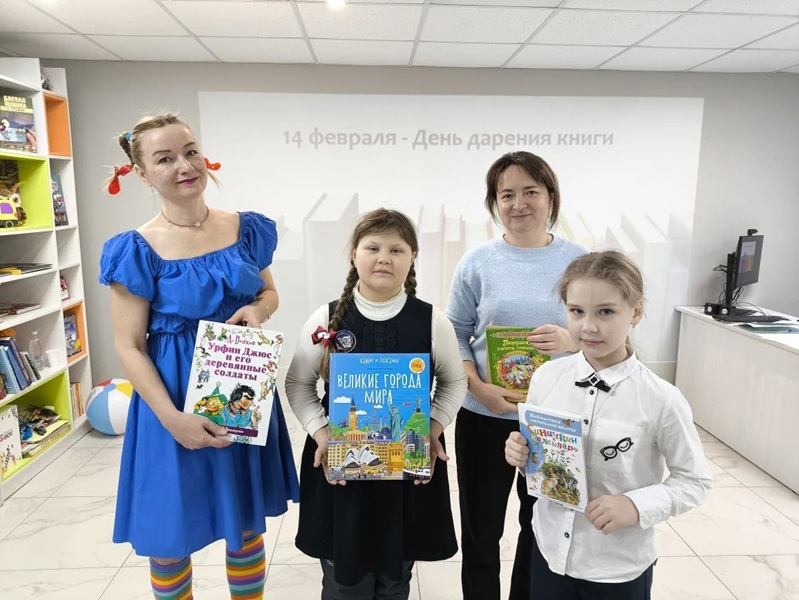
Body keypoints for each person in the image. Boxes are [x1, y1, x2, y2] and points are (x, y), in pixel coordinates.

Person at [98, 112, 299, 600]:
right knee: (169, 534)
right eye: (164, 159)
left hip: (239, 386)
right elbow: (129, 345)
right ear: (142, 173)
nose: (184, 166)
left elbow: (269, 294)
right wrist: (173, 420)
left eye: (190, 152)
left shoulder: (245, 229)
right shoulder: (136, 248)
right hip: (169, 401)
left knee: (245, 526)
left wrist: (257, 310)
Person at [504, 250, 711, 599]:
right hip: (549, 551)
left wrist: (636, 505)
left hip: (617, 567)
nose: (588, 326)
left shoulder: (661, 399)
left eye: (605, 312)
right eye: (576, 311)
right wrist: (522, 456)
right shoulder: (546, 377)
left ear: (636, 312)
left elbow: (695, 481)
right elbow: (541, 464)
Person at [285, 208, 468, 600]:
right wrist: (321, 433)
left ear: (412, 257)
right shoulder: (326, 318)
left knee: (394, 579)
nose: (384, 257)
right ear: (354, 254)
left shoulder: (432, 321)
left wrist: (432, 428)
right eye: (373, 247)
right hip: (342, 471)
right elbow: (298, 383)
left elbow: (454, 382)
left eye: (396, 249)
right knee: (344, 582)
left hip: (405, 475)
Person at [446, 151, 587, 600]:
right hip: (484, 415)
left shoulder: (580, 261)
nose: (519, 203)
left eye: (531, 192)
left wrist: (571, 340)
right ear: (494, 202)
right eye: (507, 194)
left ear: (551, 197)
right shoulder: (477, 262)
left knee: (540, 529)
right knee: (481, 531)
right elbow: (455, 332)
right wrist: (478, 387)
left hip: (554, 419)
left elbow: (602, 330)